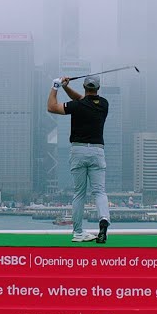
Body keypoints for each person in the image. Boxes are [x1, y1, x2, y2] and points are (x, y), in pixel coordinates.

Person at [46, 74, 110, 243]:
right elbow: (84, 100)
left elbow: (51, 107)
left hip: (78, 150)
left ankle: (78, 233)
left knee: (79, 194)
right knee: (99, 191)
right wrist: (66, 87)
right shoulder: (103, 104)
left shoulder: (78, 106)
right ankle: (104, 220)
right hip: (97, 151)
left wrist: (56, 86)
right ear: (98, 89)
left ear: (84, 87)